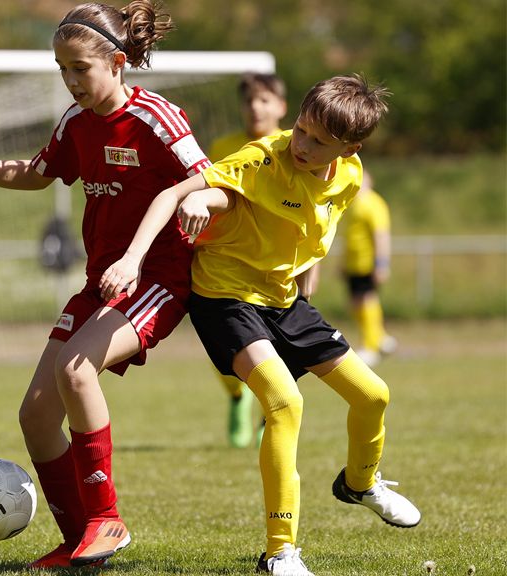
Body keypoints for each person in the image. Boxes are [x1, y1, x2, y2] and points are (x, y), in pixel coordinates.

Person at [100, 75, 421, 575]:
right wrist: (141, 251)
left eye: (318, 142)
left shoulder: (349, 174)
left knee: (374, 395)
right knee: (283, 402)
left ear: (349, 148)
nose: (302, 145)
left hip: (284, 301)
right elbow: (175, 195)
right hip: (225, 298)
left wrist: (306, 278)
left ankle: (360, 483)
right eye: (300, 129)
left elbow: (316, 224)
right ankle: (280, 553)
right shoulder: (261, 158)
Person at [0, 1, 210, 567]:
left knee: (74, 370)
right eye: (62, 69)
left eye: (80, 68)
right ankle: (80, 536)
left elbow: (204, 175)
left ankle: (108, 520)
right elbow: (37, 173)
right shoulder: (75, 123)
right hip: (101, 285)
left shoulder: (157, 117)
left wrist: (196, 201)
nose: (70, 81)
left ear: (118, 62)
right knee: (35, 414)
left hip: (156, 279)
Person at [207, 73, 288, 448]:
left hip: (276, 267)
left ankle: (267, 415)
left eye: (265, 99)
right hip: (226, 265)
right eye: (250, 101)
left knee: (279, 349)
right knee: (224, 343)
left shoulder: (295, 148)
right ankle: (237, 397)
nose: (256, 107)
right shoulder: (224, 146)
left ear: (281, 106)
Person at [341, 168, 396, 367]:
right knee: (357, 303)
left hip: (368, 263)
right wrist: (343, 262)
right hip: (353, 263)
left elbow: (381, 235)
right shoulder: (353, 204)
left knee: (366, 301)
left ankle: (371, 345)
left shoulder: (374, 204)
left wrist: (381, 263)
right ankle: (381, 338)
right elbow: (350, 236)